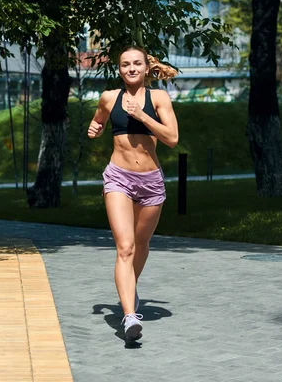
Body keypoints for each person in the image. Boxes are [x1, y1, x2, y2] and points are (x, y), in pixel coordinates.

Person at [87, 46, 179, 342]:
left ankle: (130, 289)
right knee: (124, 247)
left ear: (145, 68)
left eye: (136, 63)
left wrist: (142, 116)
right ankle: (129, 317)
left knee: (141, 244)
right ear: (119, 70)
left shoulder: (159, 98)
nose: (131, 68)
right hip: (118, 178)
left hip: (151, 181)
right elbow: (99, 119)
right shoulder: (109, 98)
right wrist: (95, 127)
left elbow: (172, 139)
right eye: (125, 64)